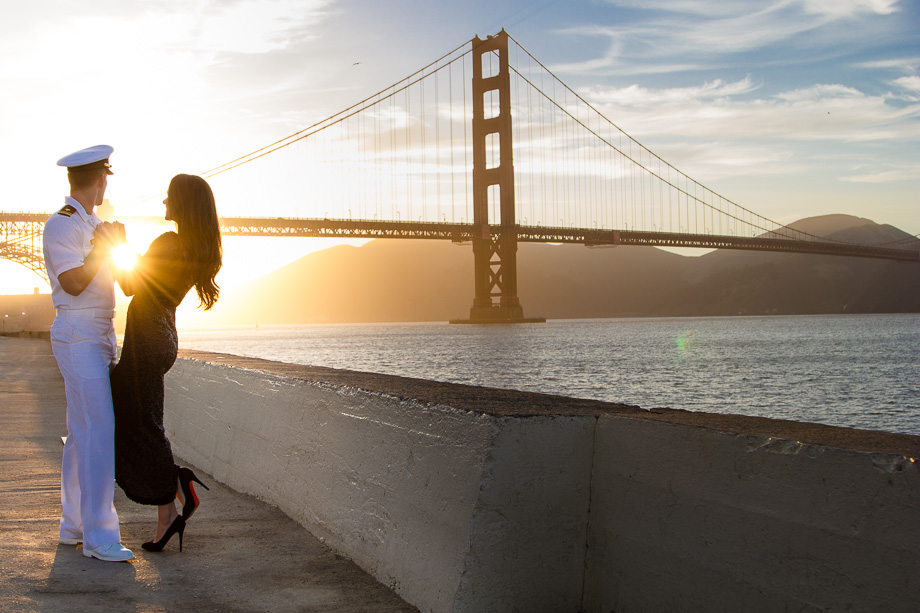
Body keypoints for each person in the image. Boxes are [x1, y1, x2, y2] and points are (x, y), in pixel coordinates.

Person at [110, 173, 222, 553]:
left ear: (183, 203)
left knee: (143, 424)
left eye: (169, 197)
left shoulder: (170, 244)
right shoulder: (193, 248)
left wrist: (117, 244)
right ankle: (176, 488)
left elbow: (130, 284)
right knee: (141, 420)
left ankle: (169, 510)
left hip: (148, 337)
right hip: (162, 336)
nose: (163, 204)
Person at [44, 144, 134, 562]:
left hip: (98, 332)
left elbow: (127, 280)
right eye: (105, 180)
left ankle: (73, 525)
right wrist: (101, 247)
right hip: (78, 331)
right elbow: (74, 284)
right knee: (100, 428)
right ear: (100, 179)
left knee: (81, 434)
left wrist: (120, 246)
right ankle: (100, 537)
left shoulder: (96, 223)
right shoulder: (61, 226)